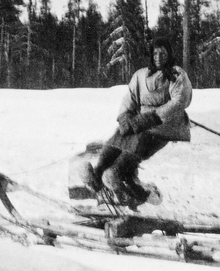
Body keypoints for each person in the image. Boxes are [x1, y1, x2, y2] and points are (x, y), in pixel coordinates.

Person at [80, 37, 193, 208]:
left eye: (163, 53)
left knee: (134, 147)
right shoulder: (141, 75)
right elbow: (130, 99)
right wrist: (125, 117)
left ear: (169, 54)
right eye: (155, 52)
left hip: (165, 125)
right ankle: (97, 176)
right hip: (140, 123)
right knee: (116, 140)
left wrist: (152, 117)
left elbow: (178, 102)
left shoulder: (177, 75)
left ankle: (126, 183)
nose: (158, 56)